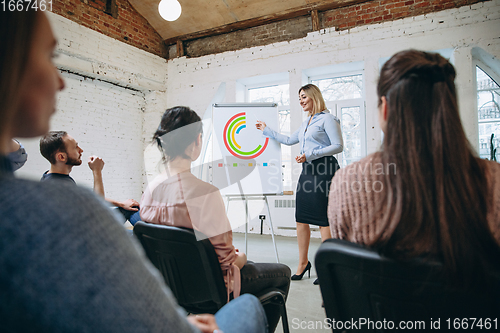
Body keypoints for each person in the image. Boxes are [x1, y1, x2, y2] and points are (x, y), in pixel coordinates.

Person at [0, 10, 268, 333]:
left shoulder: (151, 190)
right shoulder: (62, 209)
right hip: (209, 300)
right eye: (49, 54)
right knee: (253, 302)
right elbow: (223, 265)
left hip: (176, 294)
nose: (60, 80)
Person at [328, 50, 500, 288]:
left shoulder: (346, 183)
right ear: (450, 107)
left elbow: (345, 283)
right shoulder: (495, 182)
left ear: (385, 109)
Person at [140, 106, 291, 333]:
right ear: (194, 144)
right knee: (282, 273)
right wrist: (241, 258)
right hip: (211, 289)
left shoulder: (149, 190)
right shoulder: (205, 193)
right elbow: (226, 264)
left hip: (171, 286)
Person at [256, 84, 343, 284]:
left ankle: (328, 267)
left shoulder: (328, 119)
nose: (301, 101)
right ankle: (303, 263)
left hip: (325, 170)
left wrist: (310, 154)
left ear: (314, 96)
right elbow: (287, 140)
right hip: (308, 171)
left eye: (304, 97)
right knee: (301, 217)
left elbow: (338, 146)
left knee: (323, 219)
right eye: (299, 98)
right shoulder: (306, 123)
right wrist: (266, 130)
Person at [39, 131, 141, 225]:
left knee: (130, 207)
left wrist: (121, 204)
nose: (81, 150)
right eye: (76, 147)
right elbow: (98, 205)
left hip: (87, 224)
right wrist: (97, 171)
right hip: (90, 232)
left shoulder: (51, 177)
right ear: (61, 157)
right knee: (135, 218)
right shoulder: (59, 185)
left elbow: (90, 199)